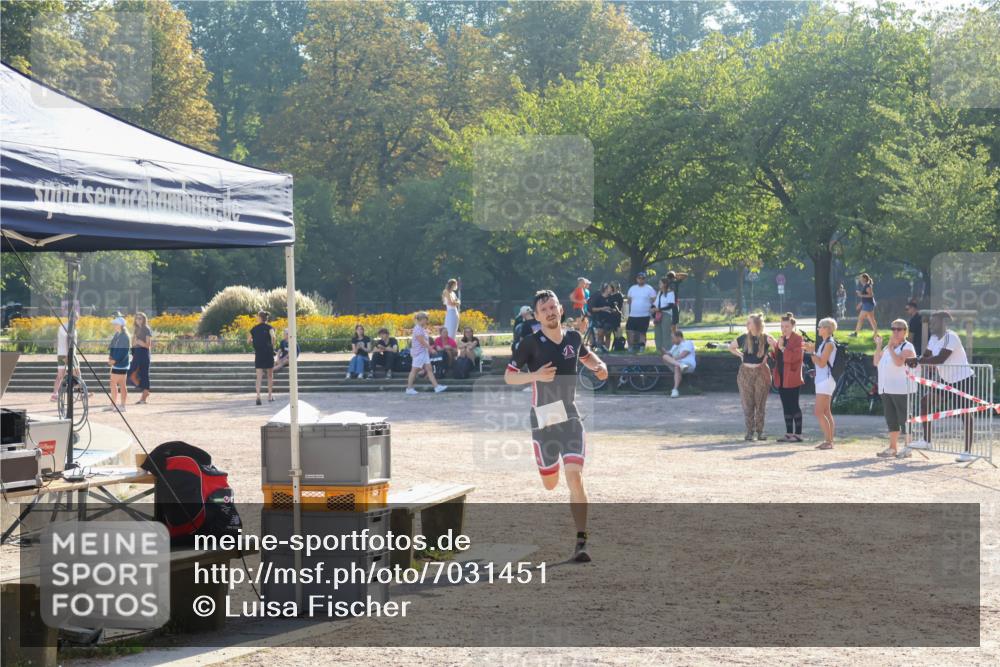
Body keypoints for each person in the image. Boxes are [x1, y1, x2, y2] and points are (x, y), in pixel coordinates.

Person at [504, 289, 608, 562]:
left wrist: (600, 366)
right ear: (537, 316)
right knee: (551, 484)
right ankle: (550, 466)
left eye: (553, 307)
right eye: (544, 309)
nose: (550, 312)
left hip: (570, 415)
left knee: (575, 477)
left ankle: (581, 541)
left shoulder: (573, 337)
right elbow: (509, 377)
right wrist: (535, 375)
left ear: (561, 309)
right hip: (543, 419)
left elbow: (586, 357)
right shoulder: (529, 343)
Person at [906, 311, 975, 462]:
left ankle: (968, 451)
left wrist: (918, 360)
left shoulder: (951, 337)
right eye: (930, 322)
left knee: (964, 413)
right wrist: (916, 360)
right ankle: (927, 441)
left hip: (963, 379)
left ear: (943, 323)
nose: (931, 325)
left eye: (934, 322)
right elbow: (926, 356)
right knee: (925, 402)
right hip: (946, 380)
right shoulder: (933, 338)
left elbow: (940, 359)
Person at [728, 313, 776, 441]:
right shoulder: (744, 337)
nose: (747, 324)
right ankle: (749, 432)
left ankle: (760, 432)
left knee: (760, 404)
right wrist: (740, 355)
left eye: (749, 322)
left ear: (756, 324)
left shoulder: (766, 337)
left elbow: (777, 347)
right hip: (746, 372)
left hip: (761, 372)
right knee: (747, 403)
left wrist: (768, 355)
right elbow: (731, 347)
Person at [874, 319, 917, 458]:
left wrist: (892, 349)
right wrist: (879, 345)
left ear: (905, 331)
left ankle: (908, 447)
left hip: (901, 388)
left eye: (899, 329)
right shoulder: (888, 347)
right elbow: (876, 362)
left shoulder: (907, 346)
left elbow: (899, 362)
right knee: (891, 419)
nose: (896, 332)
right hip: (886, 388)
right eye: (893, 329)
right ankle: (892, 448)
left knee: (905, 419)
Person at [804, 317, 839, 450]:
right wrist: (812, 351)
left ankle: (828, 441)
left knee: (819, 412)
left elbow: (822, 363)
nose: (818, 329)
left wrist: (812, 351)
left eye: (820, 327)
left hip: (825, 381)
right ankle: (829, 440)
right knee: (826, 411)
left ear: (826, 329)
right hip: (823, 379)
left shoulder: (829, 344)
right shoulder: (825, 343)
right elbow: (820, 363)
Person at [771, 313, 804, 442]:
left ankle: (799, 434)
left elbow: (795, 357)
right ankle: (789, 433)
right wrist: (774, 349)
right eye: (782, 326)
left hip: (792, 377)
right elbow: (777, 357)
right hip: (781, 377)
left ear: (793, 326)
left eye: (787, 326)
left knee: (794, 405)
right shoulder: (781, 338)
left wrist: (782, 348)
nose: (784, 329)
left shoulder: (799, 339)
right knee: (786, 406)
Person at [406, 312, 447, 395]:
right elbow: (422, 341)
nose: (427, 321)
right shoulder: (417, 329)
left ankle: (436, 387)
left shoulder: (421, 328)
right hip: (419, 353)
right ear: (423, 319)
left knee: (429, 369)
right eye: (426, 319)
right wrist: (431, 349)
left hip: (424, 353)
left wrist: (428, 349)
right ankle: (409, 388)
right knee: (414, 371)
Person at [247, 310, 275, 405]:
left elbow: (248, 341)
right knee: (270, 375)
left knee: (259, 376)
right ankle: (270, 396)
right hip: (268, 353)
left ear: (259, 318)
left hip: (258, 353)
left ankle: (258, 396)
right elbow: (273, 337)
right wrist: (272, 346)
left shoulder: (254, 329)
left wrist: (254, 342)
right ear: (266, 318)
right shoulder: (270, 328)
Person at [626, 271, 656, 353]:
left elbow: (654, 301)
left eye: (643, 278)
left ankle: (642, 347)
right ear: (636, 279)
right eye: (639, 278)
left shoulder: (649, 289)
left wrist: (652, 309)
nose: (641, 280)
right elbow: (629, 300)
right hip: (633, 315)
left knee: (642, 332)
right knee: (629, 330)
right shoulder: (632, 288)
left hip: (644, 315)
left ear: (645, 279)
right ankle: (631, 347)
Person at [660, 330, 695, 398]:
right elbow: (669, 354)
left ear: (679, 337)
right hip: (679, 365)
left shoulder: (688, 343)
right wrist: (664, 351)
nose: (672, 340)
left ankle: (675, 390)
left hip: (688, 365)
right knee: (665, 357)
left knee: (676, 366)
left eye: (673, 338)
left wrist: (673, 359)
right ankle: (680, 365)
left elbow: (683, 355)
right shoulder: (675, 346)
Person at [50, 314, 77, 402]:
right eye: (74, 317)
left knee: (65, 374)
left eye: (76, 317)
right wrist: (67, 355)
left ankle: (55, 394)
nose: (76, 319)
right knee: (68, 373)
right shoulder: (65, 327)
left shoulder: (71, 327)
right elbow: (66, 341)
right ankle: (55, 394)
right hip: (66, 354)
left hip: (68, 354)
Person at [127, 311, 153, 405]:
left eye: (140, 318)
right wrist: (135, 344)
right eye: (137, 318)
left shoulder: (146, 329)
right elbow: (133, 344)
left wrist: (139, 342)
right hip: (136, 354)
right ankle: (145, 390)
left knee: (144, 374)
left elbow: (148, 345)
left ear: (144, 319)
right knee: (130, 373)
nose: (138, 320)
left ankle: (144, 397)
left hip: (144, 354)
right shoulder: (136, 329)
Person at [107, 316, 131, 412]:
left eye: (116, 324)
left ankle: (122, 406)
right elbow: (112, 346)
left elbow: (124, 352)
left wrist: (114, 360)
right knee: (114, 383)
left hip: (121, 364)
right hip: (117, 363)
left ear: (120, 325)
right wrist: (111, 357)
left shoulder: (124, 336)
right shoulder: (117, 334)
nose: (114, 325)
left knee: (120, 384)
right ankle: (114, 405)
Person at [652, 277, 675, 356]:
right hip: (658, 315)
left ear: (665, 284)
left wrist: (659, 309)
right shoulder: (660, 292)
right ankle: (659, 350)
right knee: (657, 332)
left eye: (660, 283)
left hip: (666, 314)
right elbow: (655, 303)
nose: (659, 284)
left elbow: (670, 305)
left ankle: (668, 350)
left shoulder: (670, 293)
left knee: (666, 333)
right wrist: (653, 308)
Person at [587, 283, 614, 351]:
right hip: (599, 318)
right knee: (600, 333)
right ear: (605, 289)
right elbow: (592, 308)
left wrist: (611, 310)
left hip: (609, 318)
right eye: (610, 288)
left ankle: (607, 349)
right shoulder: (597, 296)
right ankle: (599, 348)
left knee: (608, 334)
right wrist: (603, 308)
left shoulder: (611, 298)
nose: (611, 289)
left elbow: (614, 308)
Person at [607, 281, 624, 349]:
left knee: (617, 332)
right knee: (608, 332)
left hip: (616, 316)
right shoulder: (609, 295)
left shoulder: (619, 295)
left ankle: (617, 346)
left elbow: (620, 306)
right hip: (609, 316)